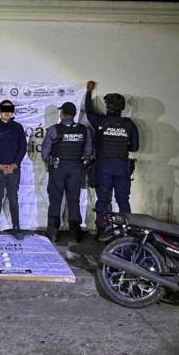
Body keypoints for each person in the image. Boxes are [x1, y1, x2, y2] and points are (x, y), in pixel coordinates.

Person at [85, 80, 139, 235]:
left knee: (103, 200)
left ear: (107, 106)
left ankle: (102, 230)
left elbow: (89, 111)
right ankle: (126, 232)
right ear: (122, 108)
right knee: (123, 201)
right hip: (122, 168)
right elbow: (134, 147)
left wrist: (89, 92)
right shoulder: (129, 124)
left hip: (103, 167)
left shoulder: (100, 121)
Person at [41, 101, 93, 242]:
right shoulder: (83, 130)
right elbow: (88, 151)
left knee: (55, 200)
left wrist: (50, 163)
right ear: (74, 114)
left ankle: (52, 232)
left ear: (62, 114)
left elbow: (45, 152)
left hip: (58, 167)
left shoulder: (54, 129)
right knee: (74, 200)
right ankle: (75, 234)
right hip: (76, 168)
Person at [0, 100, 27, 239]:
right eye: (4, 109)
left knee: (13, 198)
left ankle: (16, 227)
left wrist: (15, 165)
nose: (7, 112)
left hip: (14, 170)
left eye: (9, 109)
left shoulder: (18, 127)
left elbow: (23, 148)